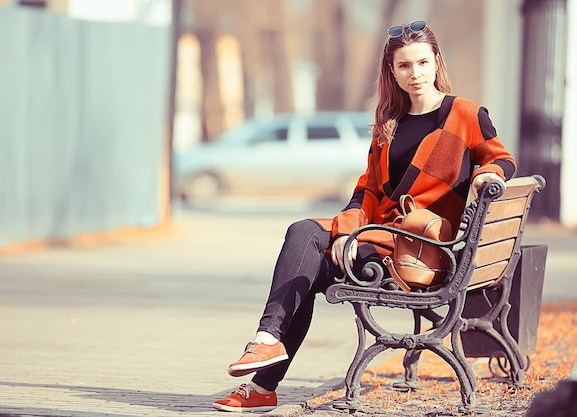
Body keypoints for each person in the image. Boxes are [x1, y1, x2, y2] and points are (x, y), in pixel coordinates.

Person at [212, 19, 516, 413]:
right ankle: (265, 348)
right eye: (404, 66)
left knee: (307, 252)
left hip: (418, 252)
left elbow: (501, 158)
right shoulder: (389, 121)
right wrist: (346, 234)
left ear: (436, 61)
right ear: (392, 71)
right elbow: (367, 190)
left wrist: (487, 175)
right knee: (307, 245)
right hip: (377, 237)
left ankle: (264, 374)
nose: (415, 74)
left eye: (422, 63)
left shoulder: (465, 114)